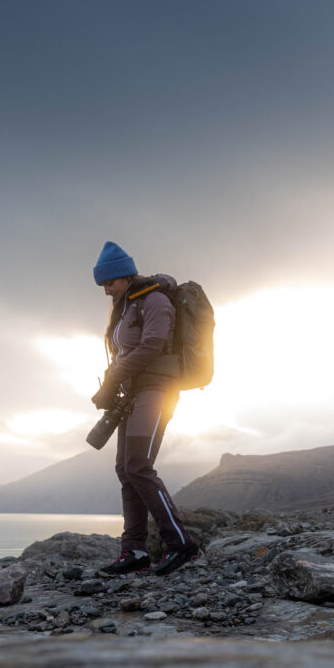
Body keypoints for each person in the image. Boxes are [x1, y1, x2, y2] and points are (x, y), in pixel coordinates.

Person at [89, 241, 202, 576]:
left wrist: (116, 378)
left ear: (124, 276)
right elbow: (124, 354)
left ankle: (182, 544)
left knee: (138, 464)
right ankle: (134, 551)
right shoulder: (126, 307)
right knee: (126, 469)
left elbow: (153, 344)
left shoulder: (154, 300)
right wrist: (111, 384)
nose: (106, 290)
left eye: (109, 283)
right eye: (102, 285)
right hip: (133, 394)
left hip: (158, 391)